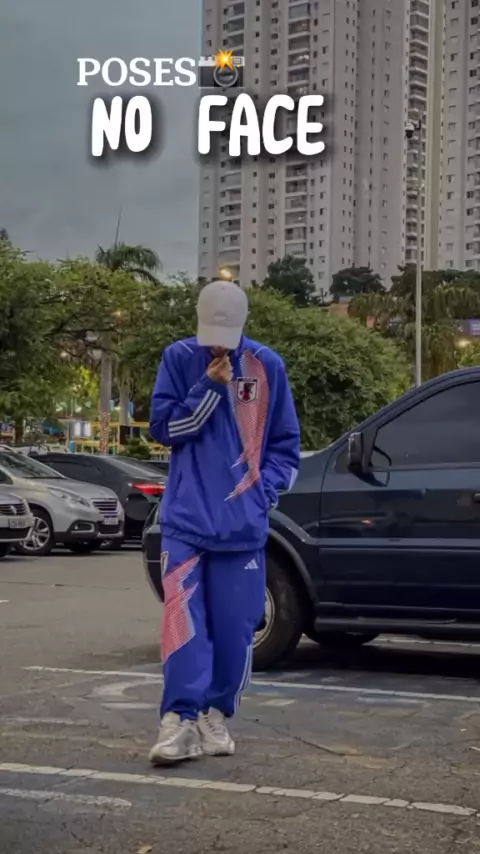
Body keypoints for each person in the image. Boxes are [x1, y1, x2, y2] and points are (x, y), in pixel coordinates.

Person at [148, 280, 300, 765]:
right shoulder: (179, 358)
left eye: (226, 337)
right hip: (186, 523)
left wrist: (261, 494)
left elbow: (285, 447)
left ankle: (215, 713)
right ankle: (178, 720)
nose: (218, 346)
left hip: (241, 527)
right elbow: (165, 429)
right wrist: (210, 387)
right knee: (184, 625)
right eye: (211, 335)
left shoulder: (267, 365)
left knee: (236, 630)